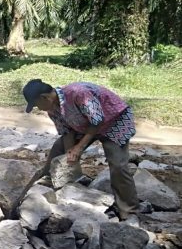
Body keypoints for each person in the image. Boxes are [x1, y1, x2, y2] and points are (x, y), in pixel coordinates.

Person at [22, 79, 139, 220]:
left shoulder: (79, 93)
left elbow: (97, 120)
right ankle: (47, 182)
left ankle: (129, 210)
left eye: (36, 105)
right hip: (85, 125)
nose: (38, 109)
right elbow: (66, 131)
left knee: (118, 164)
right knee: (58, 150)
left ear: (44, 97)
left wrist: (79, 147)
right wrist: (69, 156)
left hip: (114, 122)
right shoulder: (52, 108)